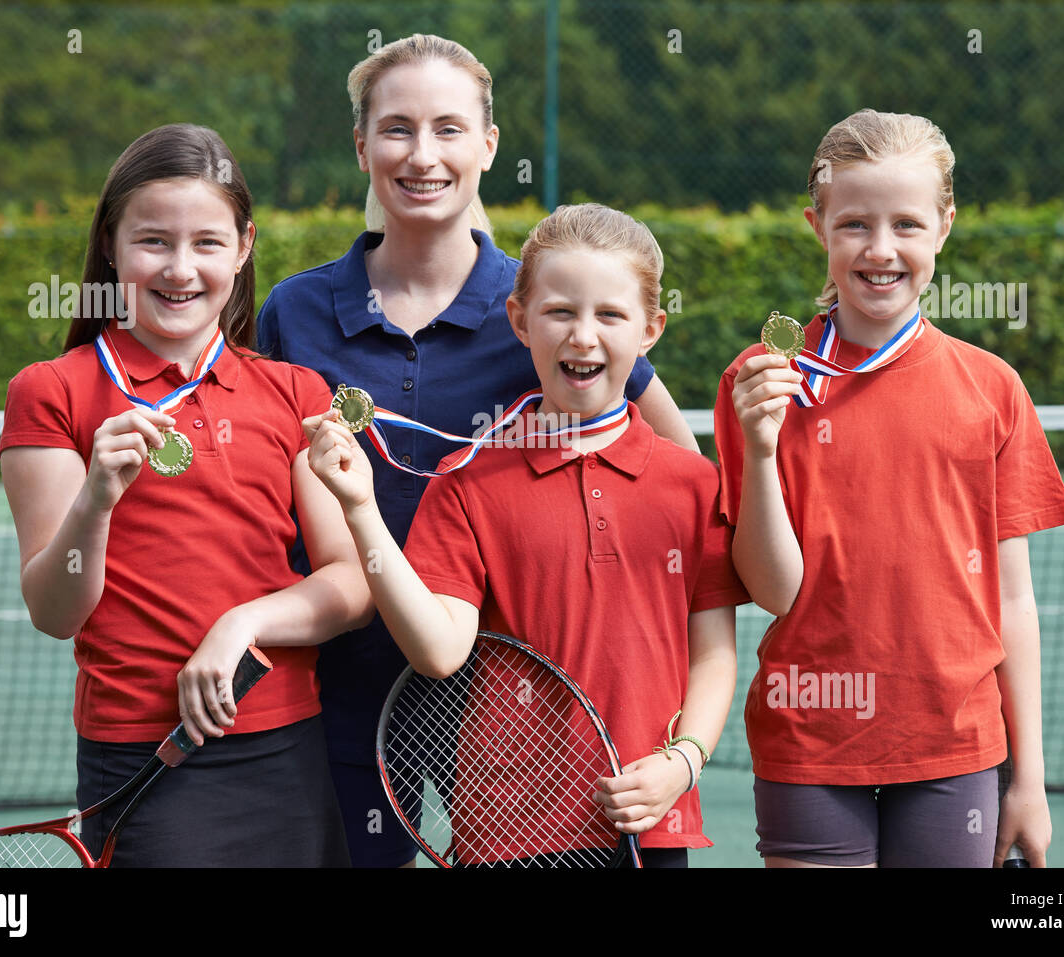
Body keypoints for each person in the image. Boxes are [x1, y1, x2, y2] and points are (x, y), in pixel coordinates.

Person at [257, 34, 699, 867]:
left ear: (489, 145)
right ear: (361, 145)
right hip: (344, 692)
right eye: (396, 129)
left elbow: (683, 485)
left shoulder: (550, 308)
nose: (422, 155)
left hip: (520, 711)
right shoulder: (297, 311)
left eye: (449, 128)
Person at [305, 202, 751, 867]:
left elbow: (712, 655)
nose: (583, 336)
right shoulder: (466, 482)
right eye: (560, 312)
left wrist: (681, 766)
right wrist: (361, 506)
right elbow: (437, 649)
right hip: (507, 836)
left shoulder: (692, 482)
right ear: (520, 320)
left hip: (650, 822)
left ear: (651, 329)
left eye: (610, 315)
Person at [0, 124, 372, 866]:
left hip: (289, 750)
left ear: (242, 247)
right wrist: (96, 498)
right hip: (143, 758)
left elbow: (352, 583)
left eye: (206, 241)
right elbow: (53, 609)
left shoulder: (295, 392)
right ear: (110, 245)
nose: (180, 268)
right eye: (153, 242)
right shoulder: (49, 391)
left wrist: (242, 623)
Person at [715, 109, 1064, 868]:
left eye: (907, 224)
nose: (881, 250)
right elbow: (774, 592)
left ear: (944, 225)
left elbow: (1013, 599)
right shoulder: (761, 383)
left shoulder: (993, 388)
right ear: (817, 226)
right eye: (854, 224)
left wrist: (1030, 781)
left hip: (956, 742)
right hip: (809, 737)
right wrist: (758, 446)